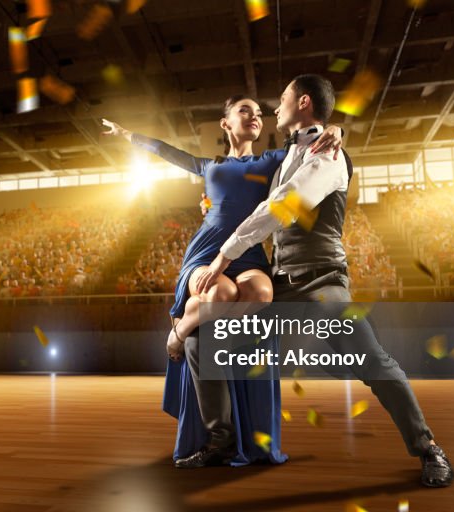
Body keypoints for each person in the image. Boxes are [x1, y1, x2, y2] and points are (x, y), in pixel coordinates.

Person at [194, 74, 454, 487]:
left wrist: (224, 255)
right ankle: (221, 441)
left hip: (322, 284)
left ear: (302, 103)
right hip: (280, 287)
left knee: (373, 363)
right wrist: (211, 200)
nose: (273, 108)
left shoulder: (328, 157)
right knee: (204, 340)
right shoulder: (289, 154)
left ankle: (428, 449)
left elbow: (281, 207)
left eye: (281, 99)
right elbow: (250, 191)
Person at [101, 98, 343, 468]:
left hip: (247, 255)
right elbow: (166, 151)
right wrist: (127, 135)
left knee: (262, 293)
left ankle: (184, 332)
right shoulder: (208, 165)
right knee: (222, 292)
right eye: (245, 110)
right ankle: (183, 335)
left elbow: (309, 146)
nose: (256, 116)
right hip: (205, 252)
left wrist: (336, 130)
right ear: (225, 123)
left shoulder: (272, 161)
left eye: (260, 114)